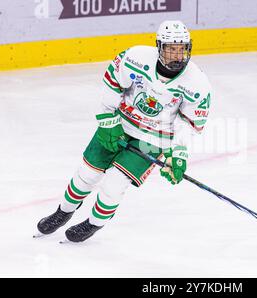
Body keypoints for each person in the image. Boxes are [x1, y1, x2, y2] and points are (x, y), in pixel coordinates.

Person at [35, 20, 212, 242]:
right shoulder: (136, 57)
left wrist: (178, 153)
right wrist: (108, 118)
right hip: (120, 122)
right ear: (159, 47)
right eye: (171, 49)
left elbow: (189, 123)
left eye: (181, 49)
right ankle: (63, 211)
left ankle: (94, 224)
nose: (177, 55)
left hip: (153, 138)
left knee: (114, 184)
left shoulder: (197, 83)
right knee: (86, 175)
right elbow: (112, 82)